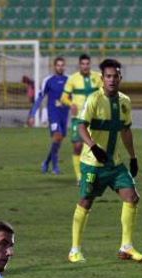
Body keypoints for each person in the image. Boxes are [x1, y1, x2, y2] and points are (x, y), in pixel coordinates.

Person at [68, 59, 142, 264]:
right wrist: (93, 147)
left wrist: (133, 157)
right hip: (92, 163)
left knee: (132, 197)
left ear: (120, 78)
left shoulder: (125, 101)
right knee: (86, 202)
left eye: (116, 76)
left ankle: (126, 247)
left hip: (114, 163)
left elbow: (126, 130)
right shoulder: (93, 99)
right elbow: (80, 126)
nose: (112, 80)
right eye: (108, 76)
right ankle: (74, 250)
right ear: (102, 79)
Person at [60, 54, 102, 184]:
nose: (85, 66)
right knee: (77, 146)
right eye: (82, 64)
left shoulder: (98, 77)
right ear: (79, 65)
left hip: (94, 118)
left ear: (90, 64)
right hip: (78, 118)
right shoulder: (73, 79)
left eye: (87, 64)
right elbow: (64, 97)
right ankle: (79, 177)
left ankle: (91, 176)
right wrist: (70, 104)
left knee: (93, 148)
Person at [30, 57, 69, 174]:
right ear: (54, 66)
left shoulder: (70, 80)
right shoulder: (48, 80)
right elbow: (40, 97)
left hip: (64, 115)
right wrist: (33, 114)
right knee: (57, 136)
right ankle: (55, 167)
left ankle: (46, 162)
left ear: (64, 66)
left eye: (62, 65)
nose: (60, 67)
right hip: (53, 114)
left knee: (58, 141)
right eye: (58, 65)